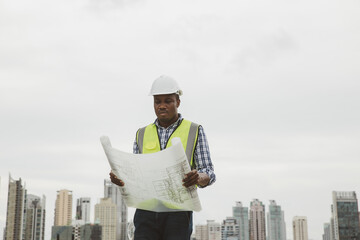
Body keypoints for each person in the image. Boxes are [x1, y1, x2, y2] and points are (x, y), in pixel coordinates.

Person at [109, 75, 216, 240]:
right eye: (158, 102)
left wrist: (198, 177)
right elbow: (136, 176)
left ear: (178, 102)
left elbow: (208, 172)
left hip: (178, 213)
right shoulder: (142, 134)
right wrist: (121, 178)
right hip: (146, 212)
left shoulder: (195, 130)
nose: (162, 106)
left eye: (168, 101)